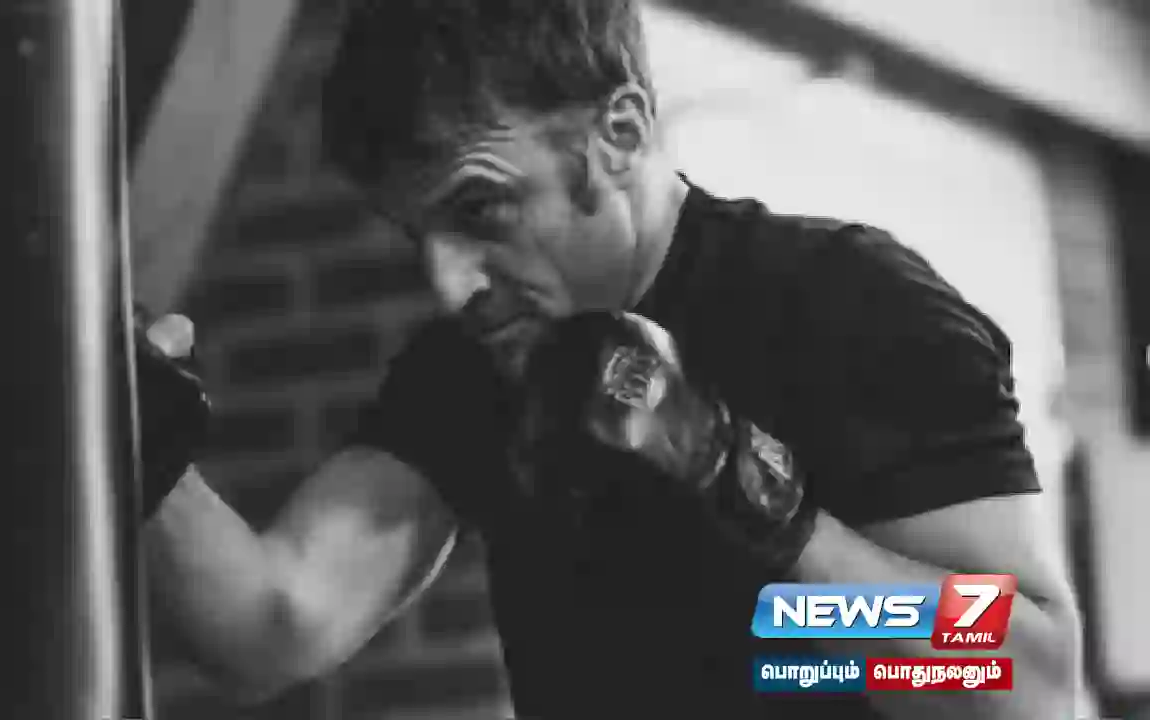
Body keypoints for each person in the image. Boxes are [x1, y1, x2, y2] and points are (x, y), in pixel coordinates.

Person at [140, 0, 1084, 717]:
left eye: (480, 210)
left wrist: (756, 506)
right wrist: (139, 431)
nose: (451, 284)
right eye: (416, 237)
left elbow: (1027, 681)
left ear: (620, 134)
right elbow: (272, 625)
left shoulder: (844, 301)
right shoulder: (479, 365)